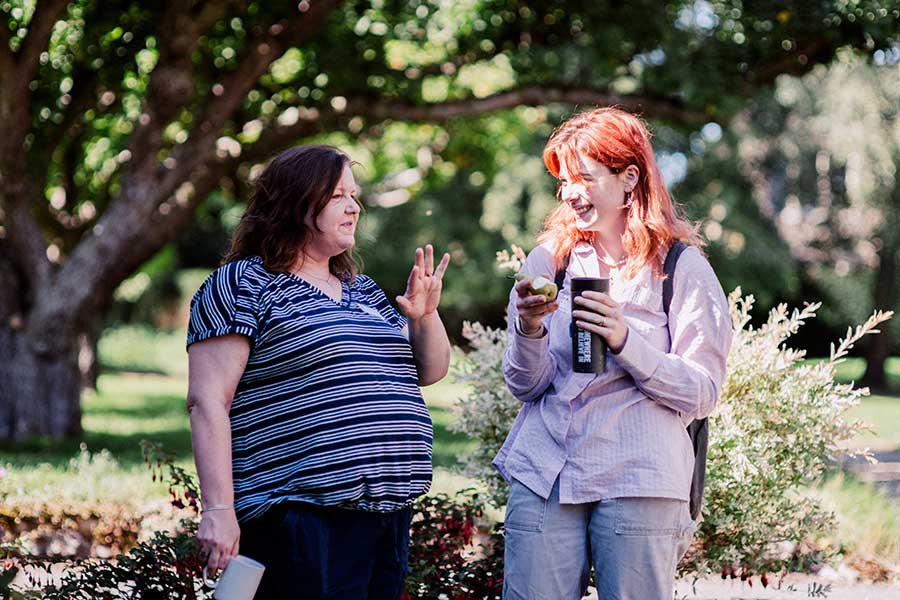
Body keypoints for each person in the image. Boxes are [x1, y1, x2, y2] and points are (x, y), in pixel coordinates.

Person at [185, 145, 451, 599]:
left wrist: (424, 318)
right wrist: (219, 509)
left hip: (384, 515)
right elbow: (208, 400)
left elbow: (430, 371)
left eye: (355, 196)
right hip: (297, 515)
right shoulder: (242, 283)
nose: (354, 207)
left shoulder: (362, 290)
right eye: (338, 196)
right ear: (296, 203)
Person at [494, 107, 733, 600]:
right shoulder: (549, 262)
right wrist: (529, 325)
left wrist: (628, 342)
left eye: (583, 177)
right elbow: (525, 384)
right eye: (563, 180)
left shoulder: (681, 268)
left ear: (629, 179)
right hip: (547, 473)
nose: (569, 193)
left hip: (639, 475)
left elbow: (703, 392)